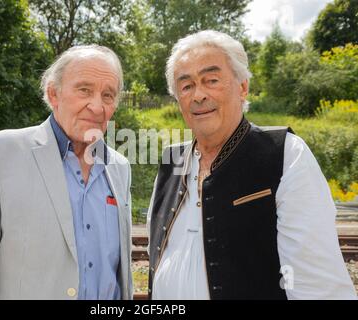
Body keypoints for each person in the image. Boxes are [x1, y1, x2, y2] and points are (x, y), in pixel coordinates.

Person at [147, 30, 357, 300]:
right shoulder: (170, 162)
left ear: (242, 87)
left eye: (211, 80)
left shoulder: (285, 154)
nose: (198, 95)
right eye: (186, 86)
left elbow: (320, 289)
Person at [0, 45, 133, 300]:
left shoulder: (120, 167)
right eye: (84, 90)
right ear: (53, 93)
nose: (97, 106)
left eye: (108, 95)